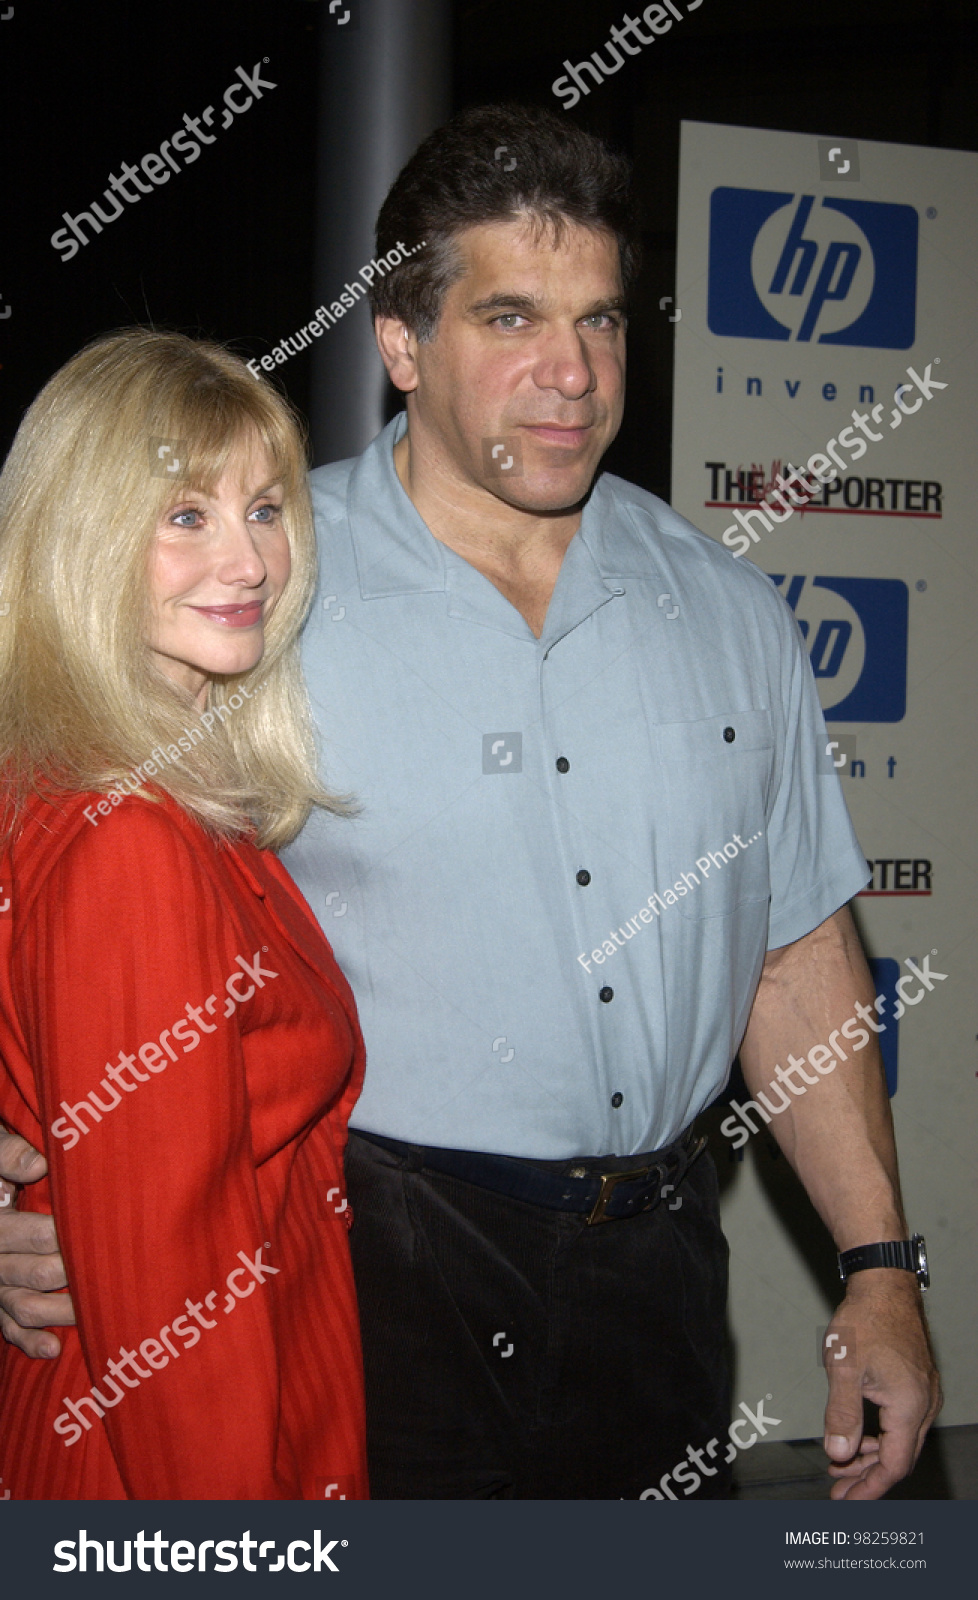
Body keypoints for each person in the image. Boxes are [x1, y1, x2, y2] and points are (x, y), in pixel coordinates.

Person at [0, 106, 940, 1500]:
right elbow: (69, 894)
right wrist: (34, 1188)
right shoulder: (256, 593)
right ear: (399, 345)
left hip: (664, 1276)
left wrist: (877, 1265)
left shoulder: (734, 610)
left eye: (603, 323)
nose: (570, 373)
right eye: (510, 318)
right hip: (369, 1267)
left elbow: (793, 943)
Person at [0, 330, 368, 1499]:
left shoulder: (98, 784)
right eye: (185, 516)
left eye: (264, 509)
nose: (250, 559)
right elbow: (174, 1296)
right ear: (83, 537)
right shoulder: (132, 842)